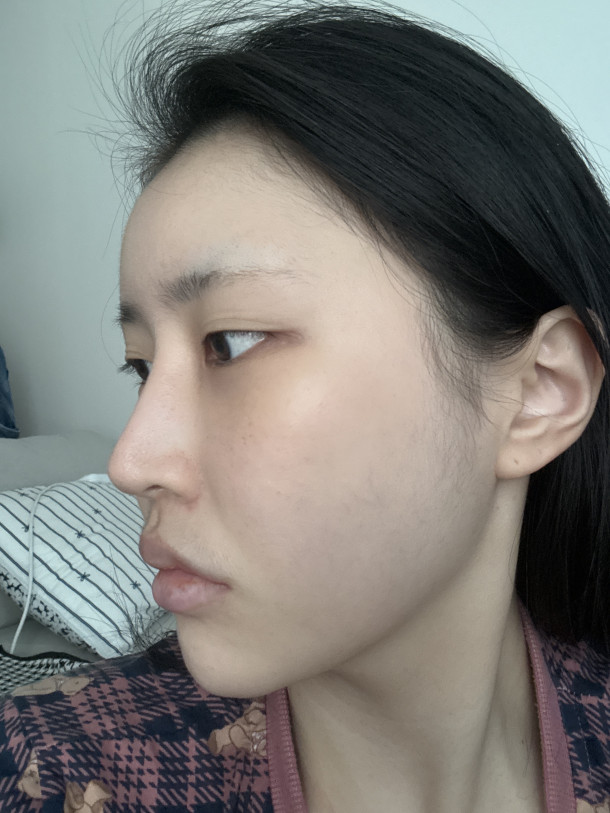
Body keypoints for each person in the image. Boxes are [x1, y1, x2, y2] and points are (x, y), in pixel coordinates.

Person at [1, 1, 610, 810]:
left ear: (540, 393)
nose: (130, 462)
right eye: (142, 368)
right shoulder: (46, 770)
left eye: (232, 342)